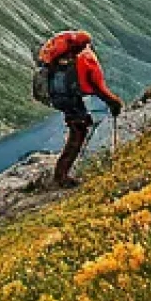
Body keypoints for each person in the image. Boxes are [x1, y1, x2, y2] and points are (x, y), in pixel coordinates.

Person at [50, 36, 124, 188]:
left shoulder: (63, 59)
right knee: (78, 131)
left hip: (62, 98)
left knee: (78, 127)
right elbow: (99, 89)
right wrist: (114, 103)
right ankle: (61, 177)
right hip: (73, 99)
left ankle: (62, 172)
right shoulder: (87, 59)